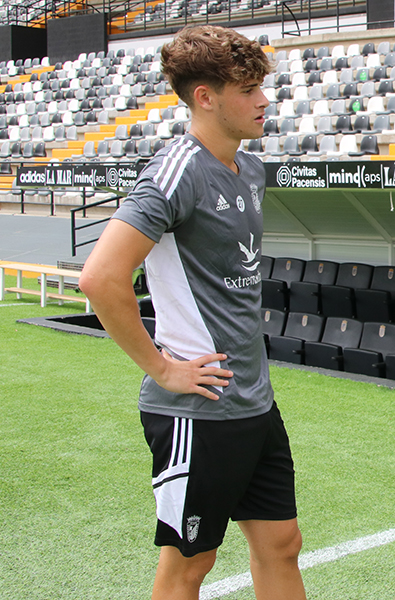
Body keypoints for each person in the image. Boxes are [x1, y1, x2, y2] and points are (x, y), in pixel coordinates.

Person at [79, 26, 306, 600]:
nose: (264, 101)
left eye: (262, 87)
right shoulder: (175, 171)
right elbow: (101, 278)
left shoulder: (250, 170)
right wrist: (163, 368)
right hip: (196, 412)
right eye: (249, 89)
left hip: (254, 401)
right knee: (190, 565)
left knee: (282, 544)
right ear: (205, 97)